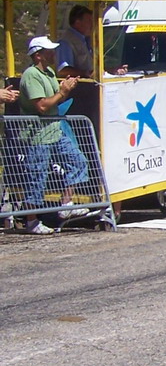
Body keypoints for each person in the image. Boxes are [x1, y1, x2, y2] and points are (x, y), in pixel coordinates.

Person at [17, 35, 88, 234]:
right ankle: (32, 221)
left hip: (55, 131)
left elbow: (55, 99)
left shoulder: (49, 72)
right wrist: (62, 92)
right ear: (38, 55)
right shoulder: (31, 75)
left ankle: (66, 204)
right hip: (38, 135)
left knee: (78, 161)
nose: (53, 54)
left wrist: (66, 89)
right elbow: (42, 105)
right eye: (49, 51)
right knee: (36, 177)